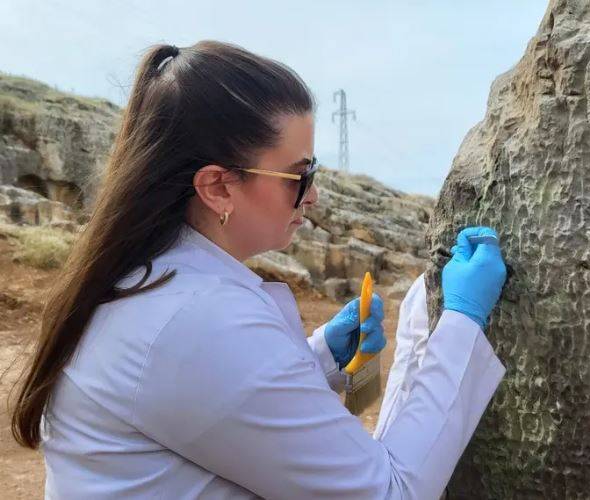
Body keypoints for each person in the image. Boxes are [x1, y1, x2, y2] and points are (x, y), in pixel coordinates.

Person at [10, 41, 508, 499]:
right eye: (299, 174)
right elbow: (390, 491)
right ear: (218, 187)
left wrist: (320, 361)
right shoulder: (196, 320)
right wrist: (462, 322)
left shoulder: (153, 285)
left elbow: (209, 410)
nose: (313, 195)